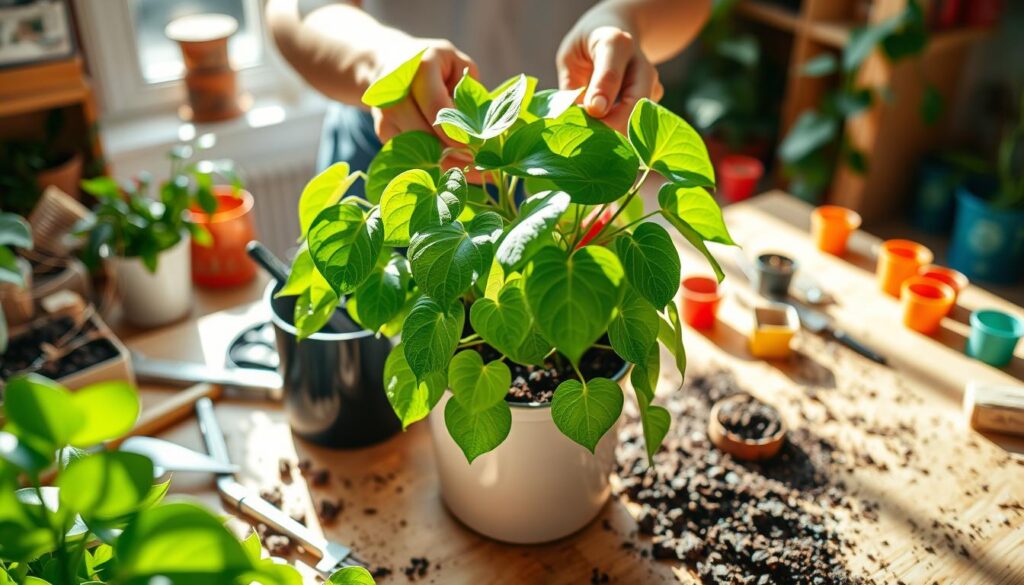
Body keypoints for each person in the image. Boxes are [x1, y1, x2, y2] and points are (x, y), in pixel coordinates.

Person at [266, 0, 710, 191]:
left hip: (564, 165)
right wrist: (380, 64)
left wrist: (626, 15)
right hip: (399, 143)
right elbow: (293, 9)